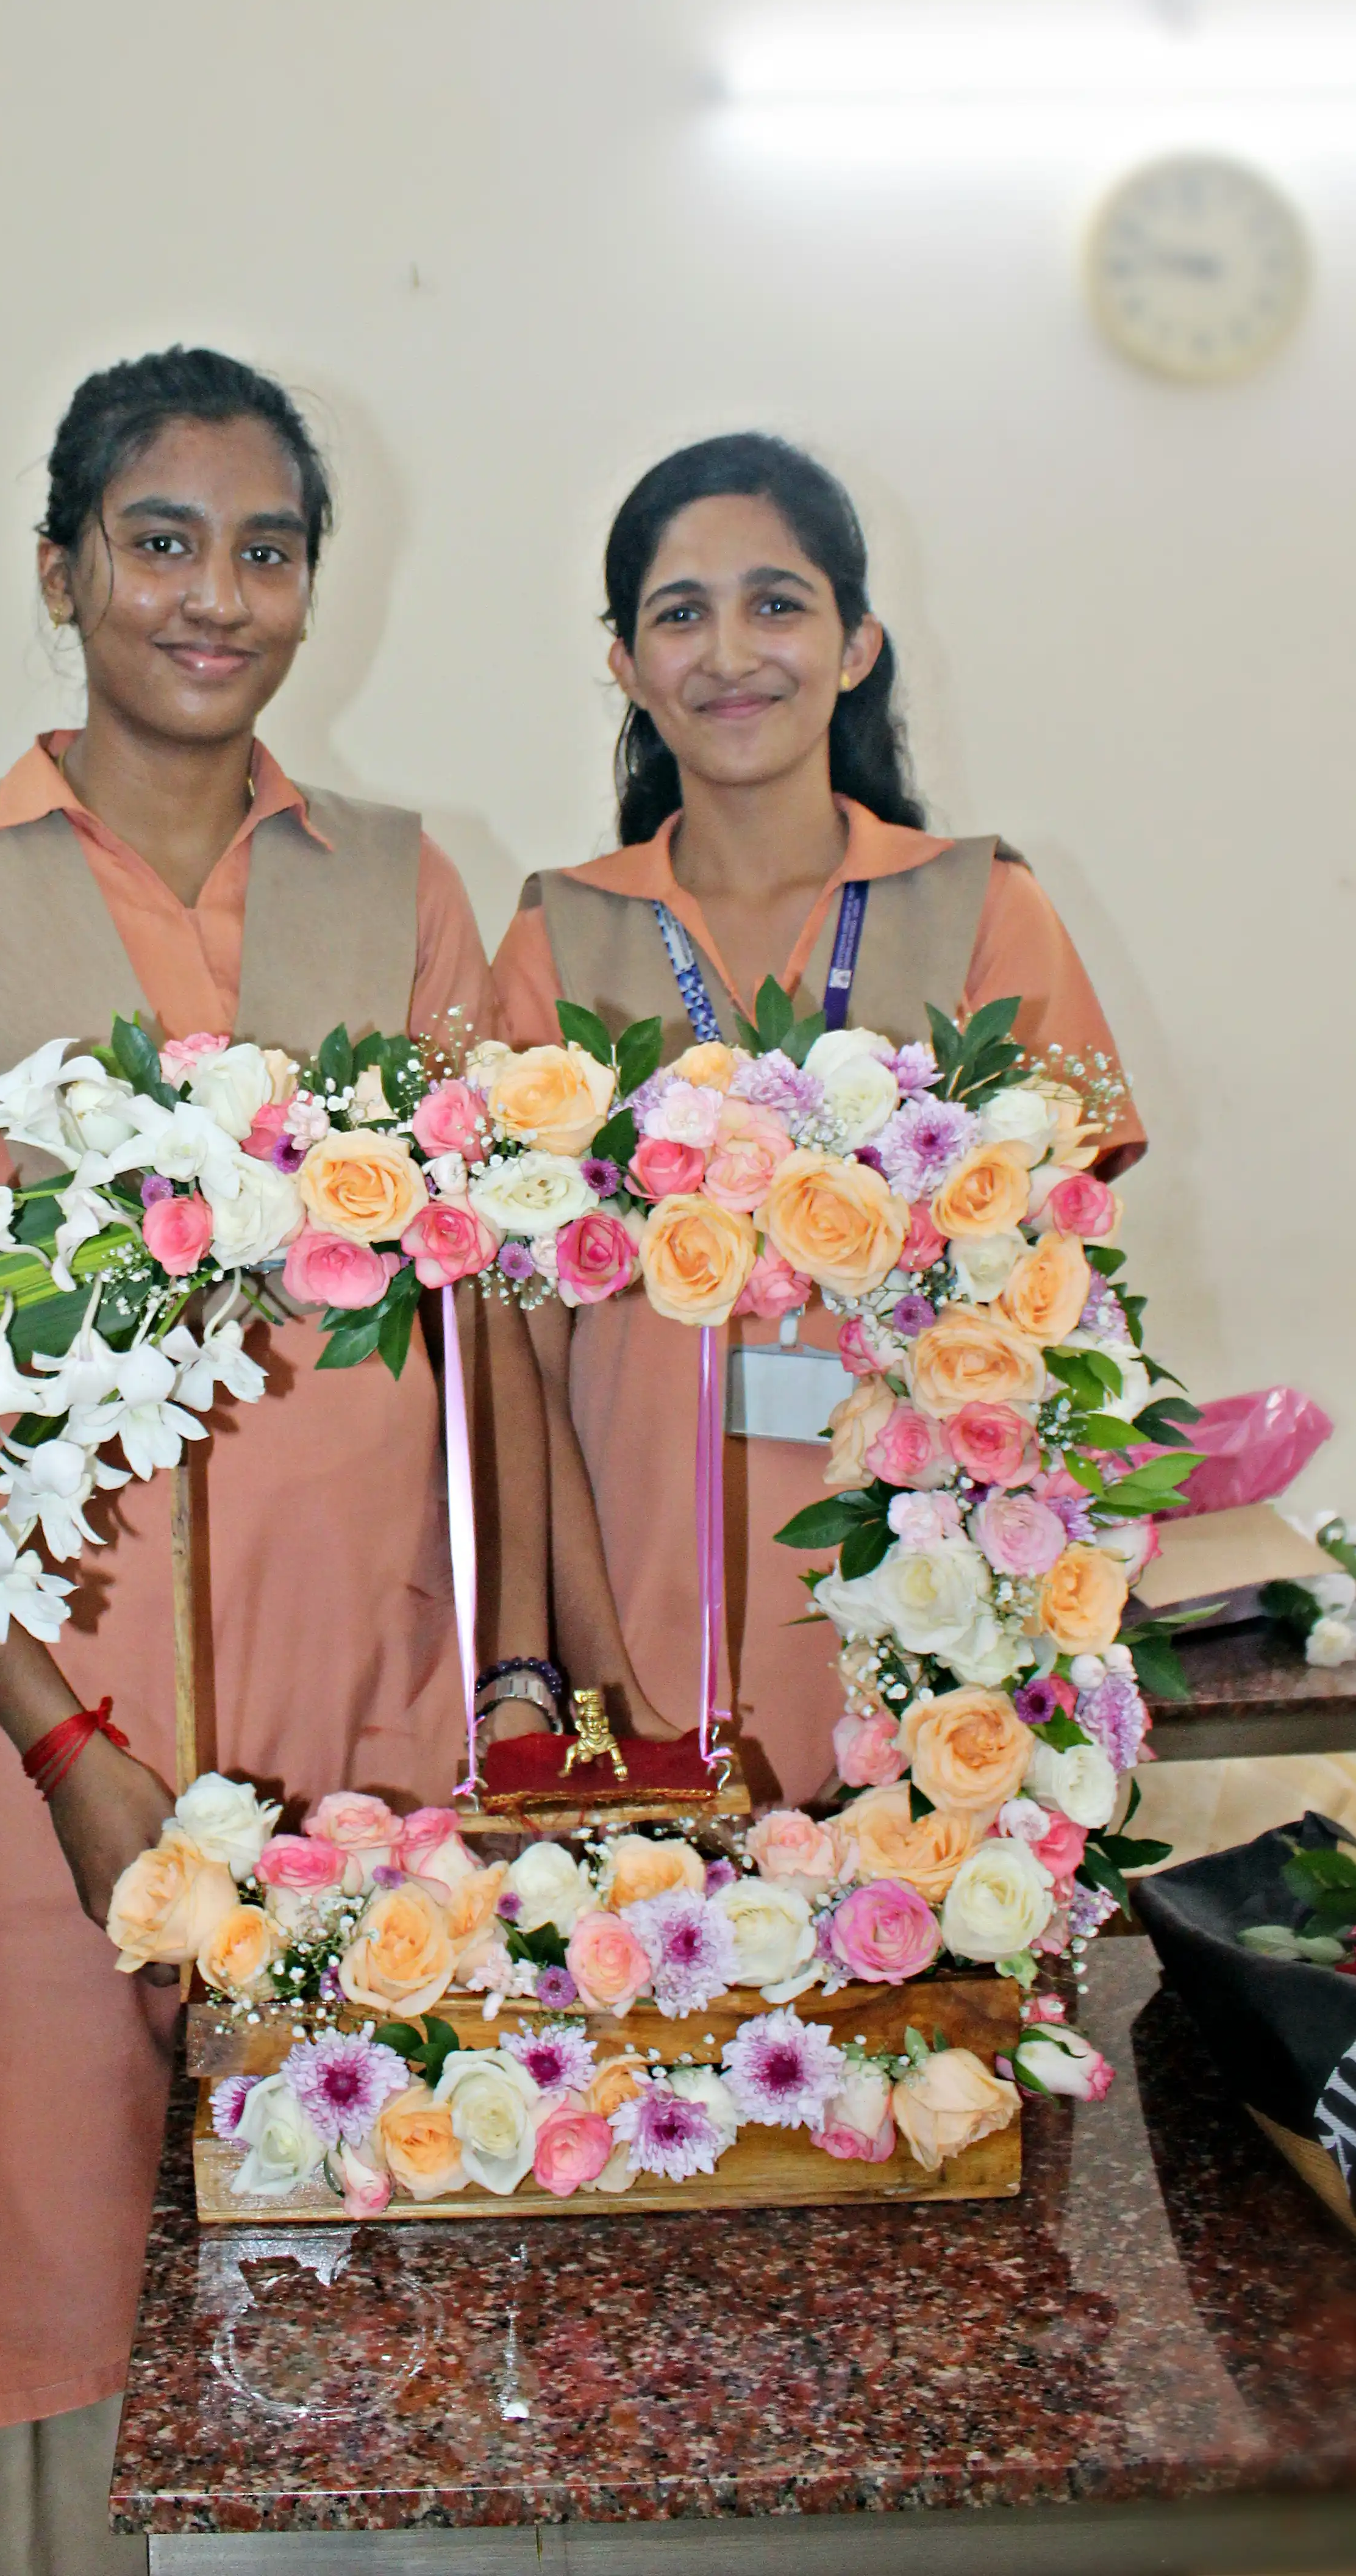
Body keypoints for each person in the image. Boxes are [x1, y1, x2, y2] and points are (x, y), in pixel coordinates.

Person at [0, 347, 538, 2574]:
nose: (216, 596)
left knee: (358, 2221)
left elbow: (489, 1305)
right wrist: (73, 1751)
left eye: (267, 548)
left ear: (316, 587)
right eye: (160, 540)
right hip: (31, 1730)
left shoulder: (398, 890)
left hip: (360, 1703)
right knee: (50, 2250)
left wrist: (496, 1688)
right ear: (61, 569)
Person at [493, 433, 1144, 1802]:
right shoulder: (563, 934)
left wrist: (1019, 1640)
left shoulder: (982, 910)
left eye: (776, 603)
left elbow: (1067, 1314)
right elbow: (519, 1357)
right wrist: (587, 1672)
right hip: (646, 1607)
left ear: (857, 645)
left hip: (933, 1612)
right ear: (625, 664)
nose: (730, 651)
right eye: (681, 614)